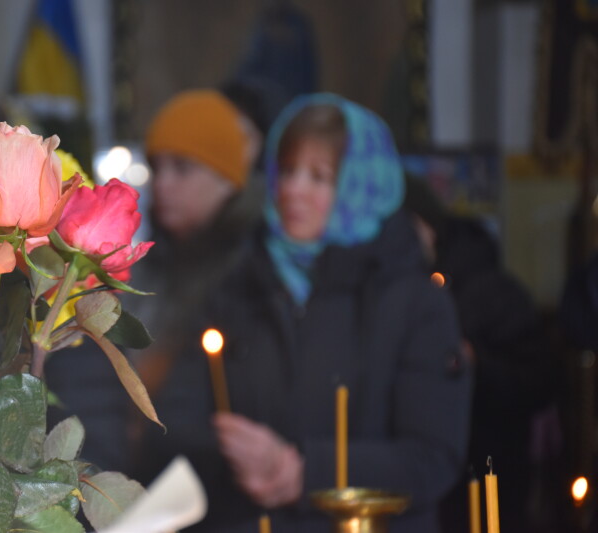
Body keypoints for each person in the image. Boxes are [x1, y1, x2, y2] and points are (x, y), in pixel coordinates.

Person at [132, 93, 471, 532]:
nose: (294, 189)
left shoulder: (414, 302)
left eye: (319, 177)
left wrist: (306, 471)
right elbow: (179, 414)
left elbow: (432, 456)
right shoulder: (242, 286)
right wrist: (230, 451)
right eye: (288, 171)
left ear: (361, 184)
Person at [45, 89, 256, 472]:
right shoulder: (146, 266)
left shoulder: (251, 278)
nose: (163, 183)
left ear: (226, 179)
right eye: (158, 168)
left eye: (182, 168)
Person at [403, 177, 559, 533]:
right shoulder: (400, 290)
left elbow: (542, 379)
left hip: (489, 474)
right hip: (428, 480)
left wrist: (475, 362)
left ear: (427, 226)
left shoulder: (492, 291)